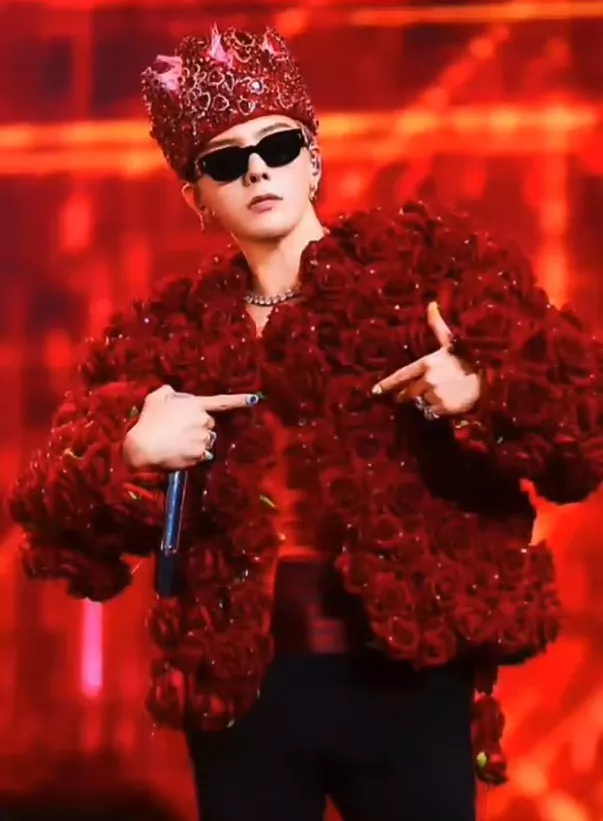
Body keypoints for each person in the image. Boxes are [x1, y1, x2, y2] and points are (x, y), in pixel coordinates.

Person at [9, 25, 603, 821]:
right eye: (224, 162)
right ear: (196, 197)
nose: (256, 169)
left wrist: (484, 388)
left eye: (278, 146)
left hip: (409, 674)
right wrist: (131, 455)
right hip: (245, 689)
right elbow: (49, 507)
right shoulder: (173, 333)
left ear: (312, 158)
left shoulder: (422, 272)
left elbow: (584, 421)